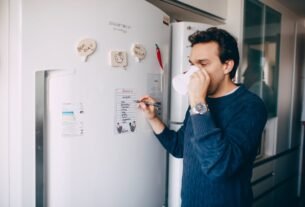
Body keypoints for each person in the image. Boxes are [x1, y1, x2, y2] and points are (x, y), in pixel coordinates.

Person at [138, 27, 267, 207]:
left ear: (227, 65)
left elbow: (220, 167)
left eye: (203, 64)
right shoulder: (200, 103)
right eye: (192, 64)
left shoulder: (250, 106)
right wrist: (153, 118)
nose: (194, 72)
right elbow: (180, 147)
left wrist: (198, 101)